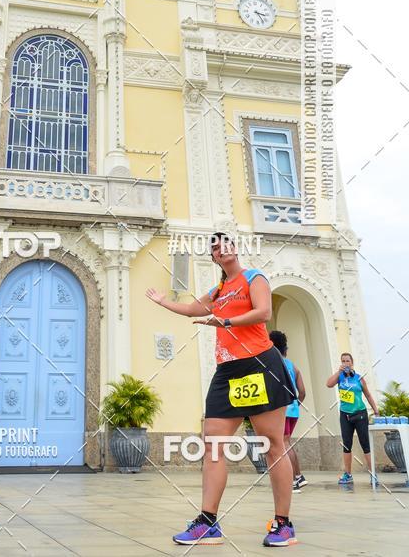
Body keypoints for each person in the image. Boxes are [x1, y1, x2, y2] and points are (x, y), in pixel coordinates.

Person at [146, 232, 297, 548]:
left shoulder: (254, 277)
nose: (220, 248)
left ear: (235, 249)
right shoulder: (218, 290)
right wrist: (163, 302)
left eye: (224, 243)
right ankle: (207, 521)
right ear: (214, 258)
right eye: (214, 247)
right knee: (212, 444)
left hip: (259, 363)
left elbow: (264, 312)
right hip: (227, 371)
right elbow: (192, 310)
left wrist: (225, 323)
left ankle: (283, 524)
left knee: (272, 444)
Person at [326, 352, 379, 485]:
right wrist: (338, 372)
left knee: (365, 444)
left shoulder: (359, 378)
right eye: (343, 361)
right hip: (345, 415)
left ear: (352, 362)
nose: (345, 363)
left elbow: (368, 395)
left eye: (347, 361)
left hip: (360, 414)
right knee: (346, 445)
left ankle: (373, 474)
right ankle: (348, 475)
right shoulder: (340, 378)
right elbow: (328, 384)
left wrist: (376, 410)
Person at [269, 330, 308, 492]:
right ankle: (299, 477)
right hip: (293, 411)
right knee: (287, 442)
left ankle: (294, 480)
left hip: (281, 410)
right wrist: (295, 405)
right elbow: (303, 392)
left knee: (283, 444)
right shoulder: (293, 366)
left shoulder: (273, 364)